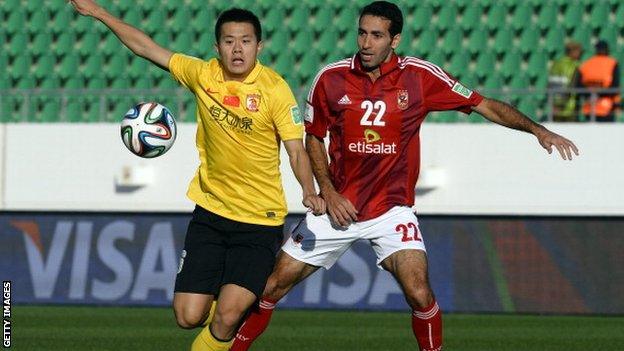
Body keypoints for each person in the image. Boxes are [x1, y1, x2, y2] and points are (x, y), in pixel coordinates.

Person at [230, 1, 579, 351]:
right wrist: (329, 193)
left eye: (377, 36)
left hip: (391, 209)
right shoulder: (330, 78)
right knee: (273, 286)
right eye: (362, 33)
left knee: (419, 291)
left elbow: (483, 103)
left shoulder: (420, 76)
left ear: (394, 40)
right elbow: (314, 138)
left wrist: (537, 130)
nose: (366, 43)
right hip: (339, 207)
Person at [69, 1, 325, 351]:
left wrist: (308, 191)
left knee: (227, 317)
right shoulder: (203, 74)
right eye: (229, 41)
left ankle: (234, 310)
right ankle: (235, 305)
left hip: (259, 221)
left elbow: (296, 149)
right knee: (188, 317)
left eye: (246, 41)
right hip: (210, 216)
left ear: (259, 46)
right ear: (216, 46)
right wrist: (100, 14)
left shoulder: (275, 90)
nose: (237, 49)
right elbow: (147, 48)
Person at [574, 40, 621, 122]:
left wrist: (591, 95)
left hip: (589, 106)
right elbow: (615, 86)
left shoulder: (586, 64)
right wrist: (599, 94)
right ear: (607, 49)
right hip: (607, 107)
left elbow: (578, 86)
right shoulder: (612, 63)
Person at [548, 41, 582, 122]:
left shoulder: (556, 63)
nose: (580, 54)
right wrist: (562, 104)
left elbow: (551, 84)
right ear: (572, 51)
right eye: (578, 52)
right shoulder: (575, 65)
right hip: (569, 107)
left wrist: (556, 104)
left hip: (555, 105)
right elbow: (571, 85)